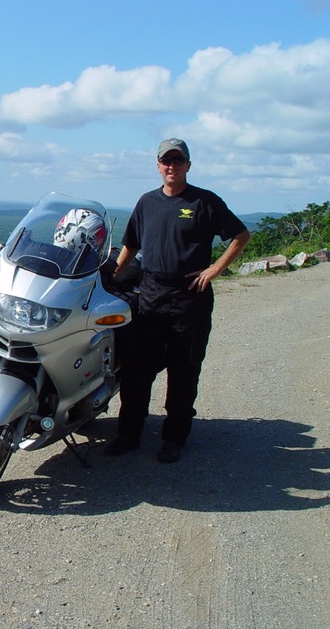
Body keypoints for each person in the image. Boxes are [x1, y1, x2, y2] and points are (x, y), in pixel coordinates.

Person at [105, 138, 251, 463]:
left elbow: (240, 235)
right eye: (166, 161)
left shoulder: (204, 202)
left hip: (191, 299)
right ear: (158, 165)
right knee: (137, 371)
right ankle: (129, 435)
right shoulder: (147, 202)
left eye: (177, 161)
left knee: (183, 372)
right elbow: (130, 245)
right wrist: (111, 277)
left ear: (188, 164)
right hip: (152, 296)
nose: (171, 166)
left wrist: (215, 269)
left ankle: (174, 438)